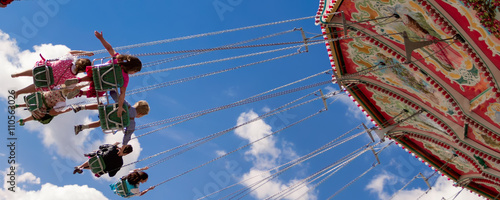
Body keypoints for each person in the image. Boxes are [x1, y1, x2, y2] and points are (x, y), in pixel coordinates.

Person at [66, 31, 142, 118]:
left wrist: (101, 38)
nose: (133, 73)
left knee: (94, 76)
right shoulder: (125, 78)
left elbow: (109, 48)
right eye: (135, 72)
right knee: (98, 93)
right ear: (133, 69)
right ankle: (80, 92)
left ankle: (79, 79)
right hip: (102, 84)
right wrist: (120, 107)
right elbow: (122, 94)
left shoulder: (118, 59)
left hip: (97, 71)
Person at [73, 90, 150, 145]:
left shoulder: (126, 105)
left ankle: (80, 107)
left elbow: (113, 94)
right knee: (102, 123)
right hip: (108, 123)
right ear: (140, 114)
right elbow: (127, 137)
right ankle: (81, 127)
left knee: (101, 105)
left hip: (106, 112)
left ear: (136, 105)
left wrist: (114, 90)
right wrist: (124, 145)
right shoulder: (132, 124)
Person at [11, 50, 93, 99]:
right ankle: (18, 92)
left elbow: (71, 52)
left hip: (44, 70)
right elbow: (68, 88)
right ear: (83, 71)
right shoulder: (73, 79)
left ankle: (18, 74)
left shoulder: (68, 60)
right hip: (48, 82)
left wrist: (86, 53)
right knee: (37, 87)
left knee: (36, 71)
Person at [15, 87, 86, 125]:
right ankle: (24, 120)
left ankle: (19, 105)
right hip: (39, 109)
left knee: (39, 100)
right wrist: (64, 111)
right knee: (45, 116)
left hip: (35, 98)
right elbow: (52, 112)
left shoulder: (57, 86)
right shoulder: (63, 103)